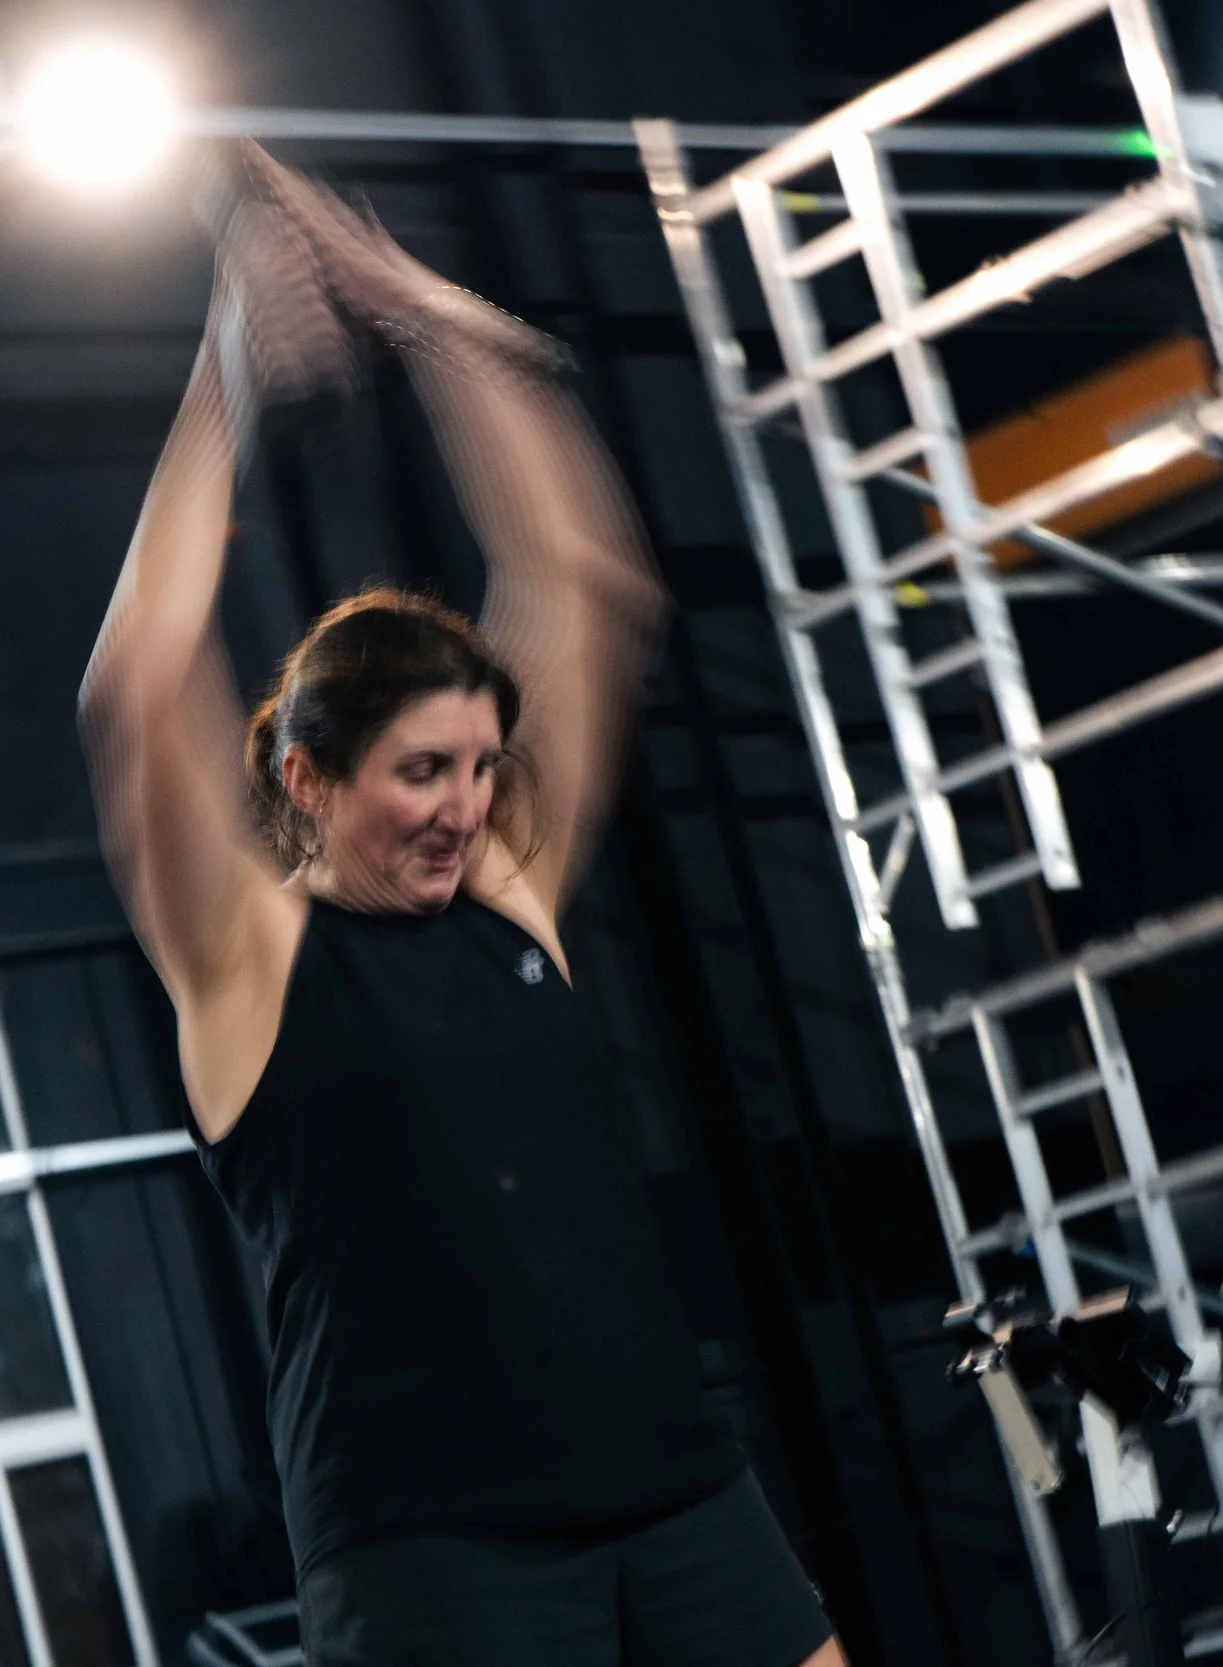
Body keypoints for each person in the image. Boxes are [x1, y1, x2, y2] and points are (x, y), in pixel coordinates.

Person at [80, 146, 844, 1667]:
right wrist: (231, 365)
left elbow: (581, 577)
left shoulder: (509, 894)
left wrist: (421, 314)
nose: (465, 806)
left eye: (486, 766)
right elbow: (135, 688)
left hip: (672, 1483)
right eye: (423, 771)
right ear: (308, 776)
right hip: (431, 1545)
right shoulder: (247, 955)